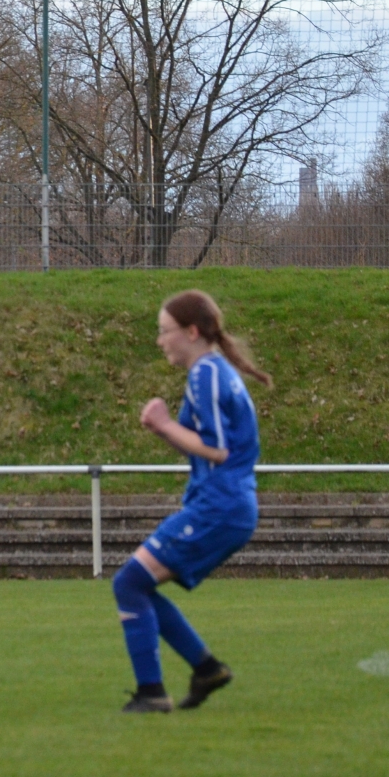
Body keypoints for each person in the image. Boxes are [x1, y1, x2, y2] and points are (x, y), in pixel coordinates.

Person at [113, 291, 269, 713]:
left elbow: (217, 450)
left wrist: (163, 424)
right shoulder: (214, 372)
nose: (160, 341)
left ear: (191, 332)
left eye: (165, 332)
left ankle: (153, 693)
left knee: (128, 583)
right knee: (135, 585)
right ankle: (205, 669)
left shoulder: (207, 375)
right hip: (222, 504)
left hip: (220, 506)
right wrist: (165, 429)